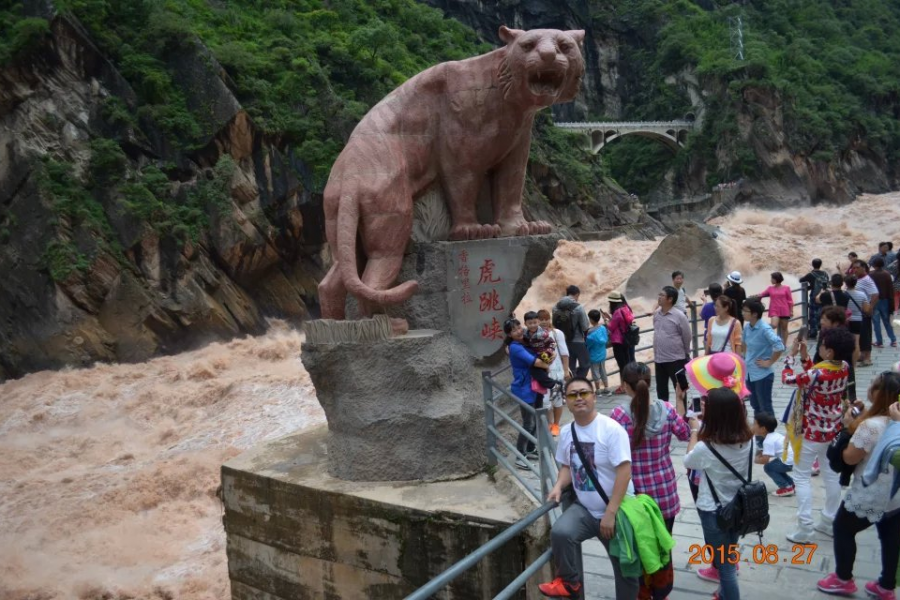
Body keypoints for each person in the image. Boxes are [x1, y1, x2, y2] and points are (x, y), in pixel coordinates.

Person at [540, 377, 637, 599]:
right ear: (566, 400)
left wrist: (610, 513)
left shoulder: (611, 429)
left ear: (594, 396)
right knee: (561, 533)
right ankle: (570, 582)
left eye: (584, 393)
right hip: (585, 508)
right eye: (573, 395)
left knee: (626, 571)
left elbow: (624, 471)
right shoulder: (566, 432)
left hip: (616, 510)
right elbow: (567, 465)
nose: (579, 398)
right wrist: (558, 486)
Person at [610, 361, 690, 600]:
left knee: (641, 547)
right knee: (663, 545)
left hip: (636, 498)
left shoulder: (619, 416)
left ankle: (642, 593)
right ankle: (662, 591)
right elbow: (685, 433)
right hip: (665, 492)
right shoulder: (666, 409)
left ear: (625, 386)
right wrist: (679, 400)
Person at [816, 371, 900, 599]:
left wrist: (847, 426)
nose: (869, 386)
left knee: (843, 528)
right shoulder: (890, 422)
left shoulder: (871, 426)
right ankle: (886, 586)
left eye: (873, 385)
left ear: (880, 394)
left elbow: (849, 458)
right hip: (896, 495)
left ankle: (843, 579)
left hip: (870, 492)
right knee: (890, 536)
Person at [781, 327, 854, 543]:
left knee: (801, 476)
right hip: (831, 430)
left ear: (829, 352)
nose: (819, 347)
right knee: (830, 475)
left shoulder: (817, 374)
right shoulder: (844, 367)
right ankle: (829, 521)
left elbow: (789, 380)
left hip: (811, 432)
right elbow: (814, 376)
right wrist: (805, 358)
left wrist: (791, 357)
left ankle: (805, 527)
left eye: (822, 345)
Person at [684, 386, 754, 600]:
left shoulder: (708, 447)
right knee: (729, 555)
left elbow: (688, 461)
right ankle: (723, 593)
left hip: (714, 510)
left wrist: (695, 430)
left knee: (725, 568)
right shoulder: (748, 439)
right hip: (739, 507)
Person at [504, 317, 551, 469]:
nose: (518, 331)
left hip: (534, 385)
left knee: (536, 418)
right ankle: (520, 455)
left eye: (518, 327)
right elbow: (534, 362)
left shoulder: (525, 340)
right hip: (524, 388)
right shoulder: (516, 347)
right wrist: (547, 364)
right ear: (509, 335)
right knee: (528, 422)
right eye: (513, 330)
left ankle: (530, 449)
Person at [742, 299, 785, 417]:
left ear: (754, 314)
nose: (743, 313)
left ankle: (769, 432)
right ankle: (759, 432)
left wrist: (769, 362)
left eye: (745, 311)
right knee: (755, 405)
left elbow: (779, 346)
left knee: (765, 406)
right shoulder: (747, 327)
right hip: (750, 373)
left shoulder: (765, 329)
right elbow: (744, 344)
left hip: (763, 375)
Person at [653, 286, 692, 405]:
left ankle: (683, 417)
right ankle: (665, 415)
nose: (658, 297)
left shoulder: (679, 316)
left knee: (681, 389)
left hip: (676, 359)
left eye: (662, 295)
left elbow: (687, 335)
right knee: (661, 391)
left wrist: (685, 353)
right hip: (659, 360)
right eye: (659, 294)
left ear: (670, 299)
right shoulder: (656, 314)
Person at [538, 309, 571, 437]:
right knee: (546, 402)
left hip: (557, 372)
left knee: (557, 400)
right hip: (543, 373)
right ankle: (549, 423)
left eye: (546, 319)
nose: (544, 322)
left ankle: (556, 424)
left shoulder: (557, 333)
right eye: (541, 319)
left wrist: (566, 370)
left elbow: (564, 353)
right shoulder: (534, 335)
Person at [753, 412, 795, 497]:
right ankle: (791, 484)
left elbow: (764, 460)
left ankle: (785, 487)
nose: (752, 426)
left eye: (754, 424)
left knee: (768, 467)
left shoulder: (768, 441)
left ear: (763, 429)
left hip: (788, 461)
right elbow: (770, 452)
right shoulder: (775, 435)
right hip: (792, 459)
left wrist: (754, 459)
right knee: (775, 467)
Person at [555, 285, 591, 377]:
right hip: (578, 341)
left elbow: (554, 324)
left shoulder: (555, 307)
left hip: (563, 341)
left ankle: (572, 385)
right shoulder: (578, 307)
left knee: (570, 367)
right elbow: (585, 327)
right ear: (577, 294)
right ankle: (579, 381)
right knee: (585, 364)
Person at [523, 311, 559, 394]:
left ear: (538, 322)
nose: (532, 325)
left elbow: (553, 343)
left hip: (543, 356)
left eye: (535, 322)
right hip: (535, 356)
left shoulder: (543, 334)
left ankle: (554, 386)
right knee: (538, 377)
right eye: (530, 323)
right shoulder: (526, 334)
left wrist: (548, 353)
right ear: (525, 324)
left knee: (535, 371)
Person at [606, 291, 636, 393]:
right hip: (627, 340)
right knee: (628, 362)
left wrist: (606, 322)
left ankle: (623, 387)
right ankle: (632, 384)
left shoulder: (617, 312)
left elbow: (611, 327)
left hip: (618, 341)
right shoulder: (626, 308)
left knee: (622, 365)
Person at [754, 271, 794, 346]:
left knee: (784, 328)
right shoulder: (770, 288)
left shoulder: (786, 288)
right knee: (773, 325)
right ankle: (769, 340)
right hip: (774, 310)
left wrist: (791, 310)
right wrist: (755, 297)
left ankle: (783, 344)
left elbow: (790, 300)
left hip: (784, 309)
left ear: (776, 279)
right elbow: (762, 294)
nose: (771, 280)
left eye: (772, 278)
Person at [851, 260, 878, 366]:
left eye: (857, 268)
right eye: (854, 268)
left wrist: (870, 307)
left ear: (864, 268)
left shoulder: (867, 280)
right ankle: (862, 355)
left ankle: (867, 358)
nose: (855, 270)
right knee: (862, 334)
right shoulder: (859, 279)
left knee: (866, 335)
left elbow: (875, 294)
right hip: (859, 312)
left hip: (864, 312)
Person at [869, 257, 897, 348]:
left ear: (874, 265)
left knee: (876, 322)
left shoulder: (871, 275)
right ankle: (893, 340)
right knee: (887, 321)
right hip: (885, 300)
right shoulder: (887, 274)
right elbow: (890, 289)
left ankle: (879, 342)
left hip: (874, 300)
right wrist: (891, 303)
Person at [800, 259, 831, 339]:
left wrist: (810, 287)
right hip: (825, 296)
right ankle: (824, 330)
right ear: (820, 264)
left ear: (812, 264)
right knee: (824, 313)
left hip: (814, 297)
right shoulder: (825, 273)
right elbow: (827, 283)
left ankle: (813, 332)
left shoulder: (810, 275)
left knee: (813, 314)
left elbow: (801, 280)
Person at [845, 275, 869, 368]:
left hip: (846, 320)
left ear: (846, 283)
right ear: (856, 283)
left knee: (846, 342)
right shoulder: (862, 294)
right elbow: (866, 309)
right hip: (858, 320)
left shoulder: (844, 294)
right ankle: (854, 364)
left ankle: (846, 363)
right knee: (856, 342)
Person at [586, 310, 611, 396]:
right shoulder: (603, 328)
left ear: (591, 320)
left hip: (593, 356)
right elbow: (607, 337)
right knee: (603, 371)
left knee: (595, 373)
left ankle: (598, 390)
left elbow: (587, 346)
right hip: (602, 354)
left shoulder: (590, 335)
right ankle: (607, 388)